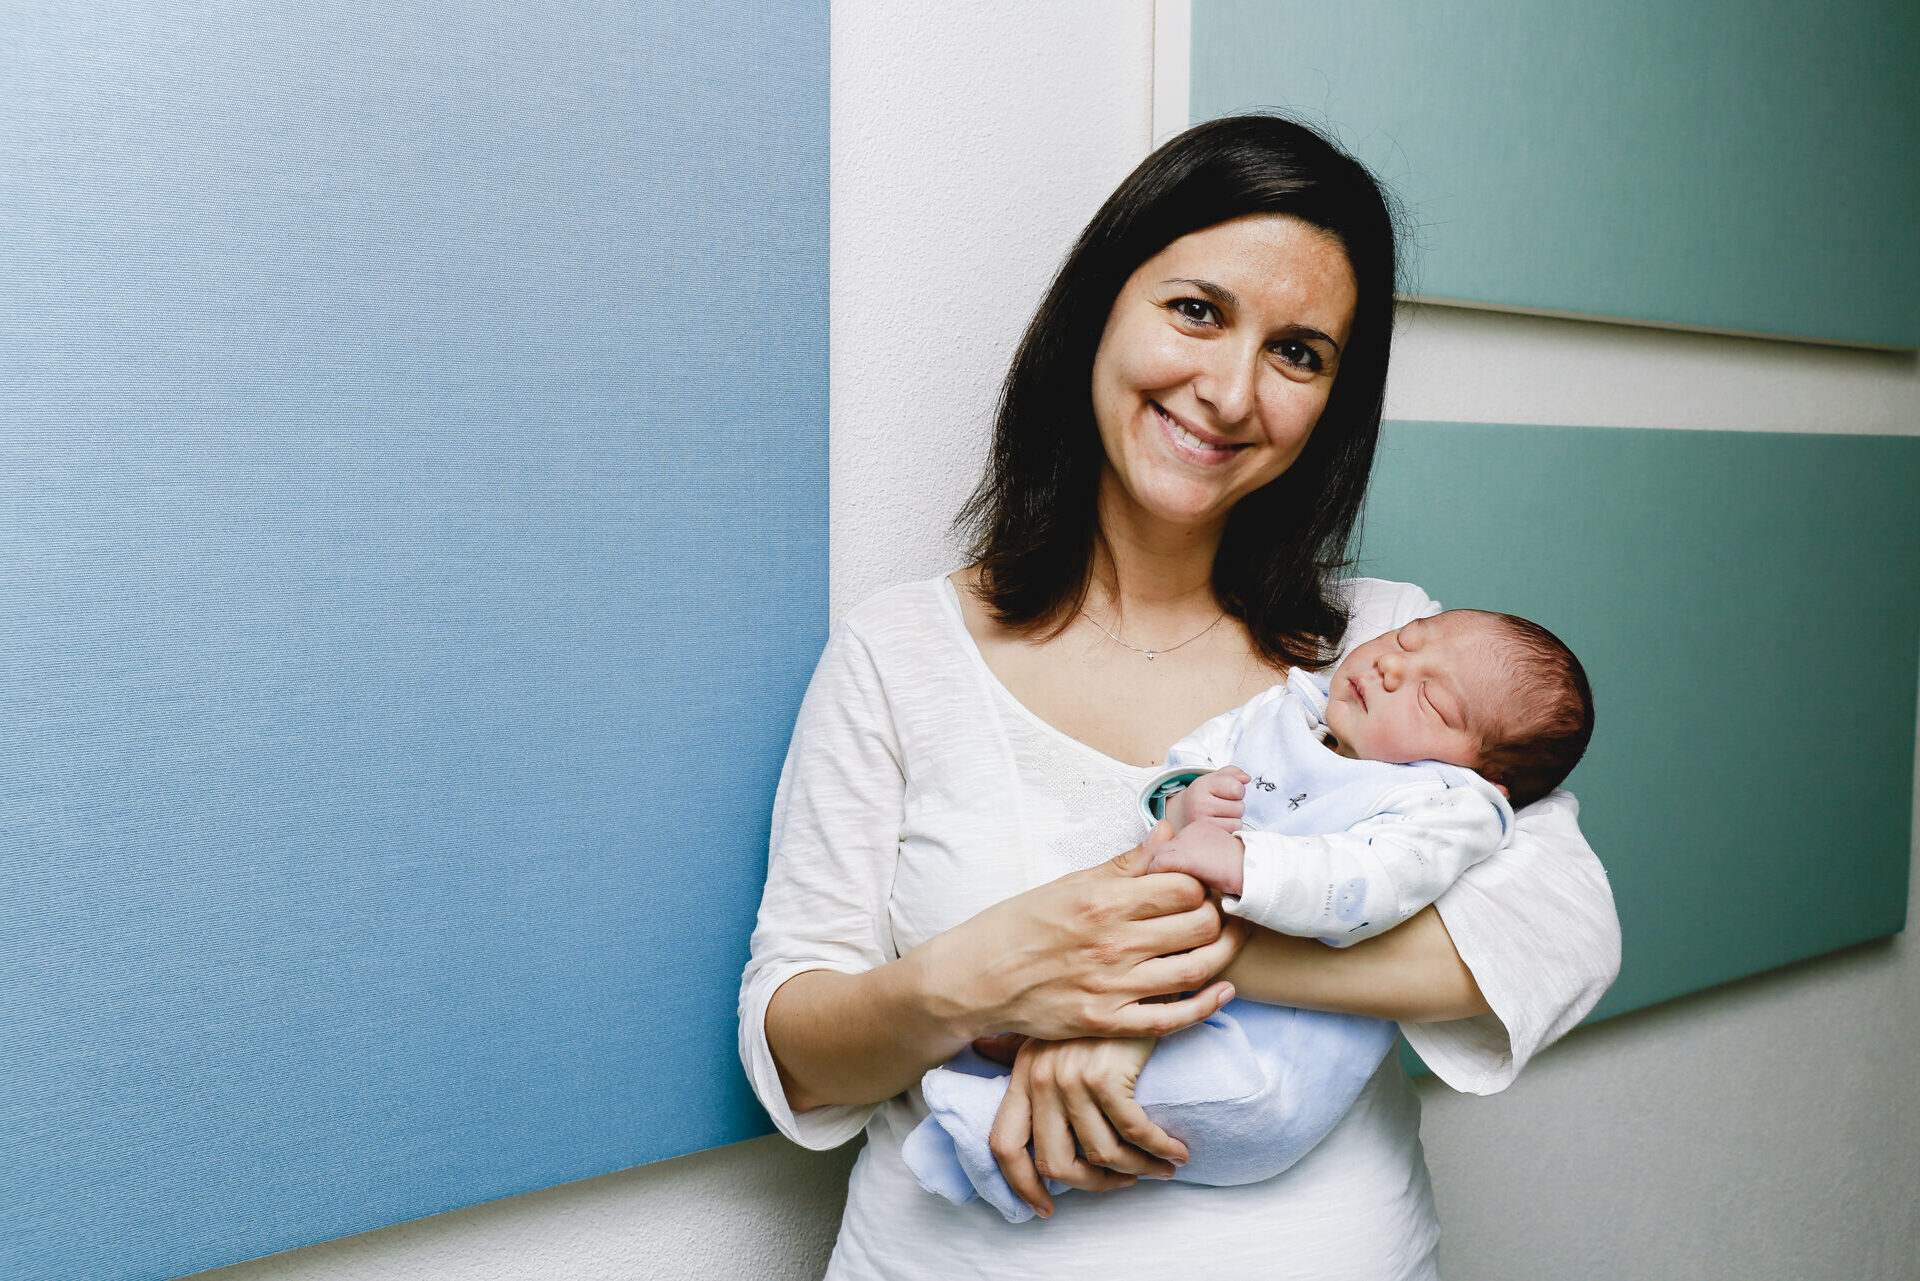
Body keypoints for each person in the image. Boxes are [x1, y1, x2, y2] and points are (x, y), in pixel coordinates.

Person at [739, 114, 1619, 1280]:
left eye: (1299, 353)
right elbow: (797, 1052)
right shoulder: (900, 654)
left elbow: (1555, 932)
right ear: (1101, 308)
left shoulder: (1392, 651)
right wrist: (992, 977)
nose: (1230, 390)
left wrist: (1144, 985)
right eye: (1197, 312)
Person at [901, 609, 1595, 1222]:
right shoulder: (1291, 711)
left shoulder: (1448, 806)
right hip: (1176, 970)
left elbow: (1368, 885)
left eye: (1431, 698)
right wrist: (1186, 797)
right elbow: (1196, 757)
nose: (1389, 664)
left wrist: (1243, 865)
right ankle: (1016, 1057)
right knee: (1094, 1015)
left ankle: (984, 1135)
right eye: (1405, 641)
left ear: (1481, 772)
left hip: (1279, 1045)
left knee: (1221, 1090)